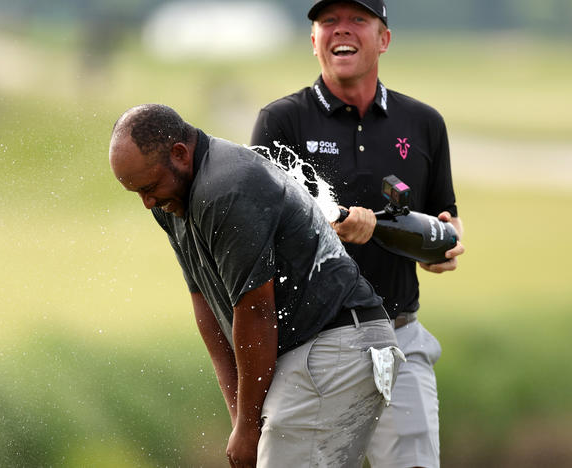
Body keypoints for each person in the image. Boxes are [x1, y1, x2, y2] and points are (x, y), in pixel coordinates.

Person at [109, 103, 403, 467]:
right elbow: (206, 303)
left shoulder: (225, 188)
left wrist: (248, 428)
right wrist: (239, 418)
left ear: (180, 154)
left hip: (335, 343)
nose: (147, 202)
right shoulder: (172, 201)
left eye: (149, 187)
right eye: (137, 192)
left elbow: (255, 310)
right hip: (314, 350)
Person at [250, 1, 465, 467]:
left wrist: (445, 241)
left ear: (383, 38)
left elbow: (442, 215)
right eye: (328, 21)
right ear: (313, 40)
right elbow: (260, 236)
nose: (340, 30)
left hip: (400, 338)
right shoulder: (281, 121)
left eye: (357, 20)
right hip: (313, 347)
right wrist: (331, 227)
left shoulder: (424, 123)